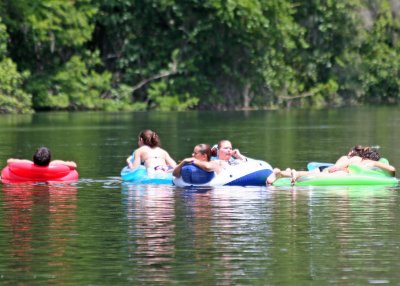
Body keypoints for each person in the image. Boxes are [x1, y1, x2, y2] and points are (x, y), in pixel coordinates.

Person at [266, 145, 396, 185]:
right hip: (341, 173)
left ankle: (284, 173)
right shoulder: (370, 163)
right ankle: (293, 173)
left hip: (337, 171)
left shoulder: (356, 159)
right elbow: (392, 170)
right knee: (316, 175)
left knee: (315, 174)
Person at [7, 146, 77, 168]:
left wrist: (17, 160)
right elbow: (74, 165)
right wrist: (69, 162)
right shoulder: (55, 163)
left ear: (33, 158)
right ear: (49, 159)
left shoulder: (28, 163)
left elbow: (9, 161)